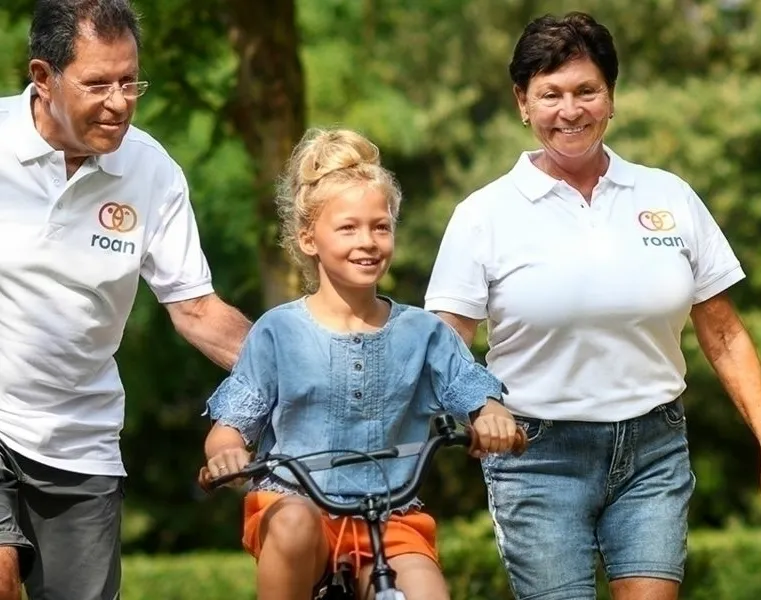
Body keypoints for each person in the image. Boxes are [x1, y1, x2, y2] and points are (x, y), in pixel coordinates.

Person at [423, 11, 761, 600]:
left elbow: (725, 335)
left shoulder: (668, 196)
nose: (570, 110)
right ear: (521, 103)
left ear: (611, 98)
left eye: (587, 91)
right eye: (550, 94)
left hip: (652, 449)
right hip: (537, 455)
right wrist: (480, 408)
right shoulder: (484, 214)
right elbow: (445, 343)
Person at [199, 128, 522, 600]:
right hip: (295, 506)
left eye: (381, 226)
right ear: (309, 239)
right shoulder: (278, 332)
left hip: (391, 518)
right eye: (348, 228)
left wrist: (492, 416)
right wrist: (225, 452)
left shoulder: (423, 332)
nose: (368, 241)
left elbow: (478, 396)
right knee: (292, 524)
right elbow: (228, 430)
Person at [0, 1, 254, 599]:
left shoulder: (151, 171)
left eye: (129, 81)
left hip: (80, 437)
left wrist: (300, 364)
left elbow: (197, 310)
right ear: (43, 78)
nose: (119, 102)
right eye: (98, 84)